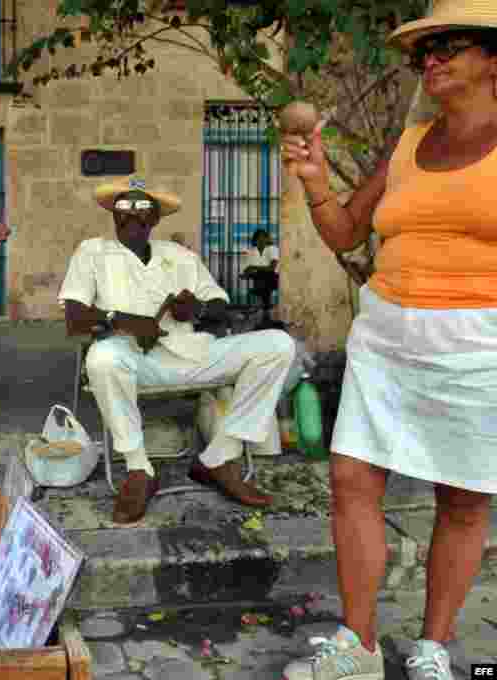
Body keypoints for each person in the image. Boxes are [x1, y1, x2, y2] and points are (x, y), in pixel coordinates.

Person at [279, 5, 497, 680]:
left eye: (446, 48)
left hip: (478, 339)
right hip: (385, 332)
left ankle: (432, 646)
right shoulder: (407, 146)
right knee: (351, 480)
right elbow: (346, 233)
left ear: (494, 58)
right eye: (421, 54)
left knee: (461, 497)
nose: (428, 61)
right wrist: (316, 183)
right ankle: (360, 645)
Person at [58, 177, 296, 524]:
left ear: (155, 219)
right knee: (103, 357)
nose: (132, 216)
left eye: (142, 209)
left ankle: (218, 458)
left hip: (195, 356)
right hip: (134, 361)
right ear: (113, 214)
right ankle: (139, 469)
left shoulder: (180, 256)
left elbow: (219, 305)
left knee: (278, 345)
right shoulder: (92, 252)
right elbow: (74, 318)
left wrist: (196, 309)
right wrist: (124, 321)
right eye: (124, 207)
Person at [240, 228, 280, 311]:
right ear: (255, 241)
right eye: (258, 238)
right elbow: (245, 270)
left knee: (264, 276)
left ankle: (259, 302)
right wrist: (249, 270)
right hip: (258, 278)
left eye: (263, 238)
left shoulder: (272, 249)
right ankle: (263, 307)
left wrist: (253, 267)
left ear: (267, 239)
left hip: (274, 278)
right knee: (261, 278)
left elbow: (272, 268)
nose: (261, 240)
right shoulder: (251, 251)